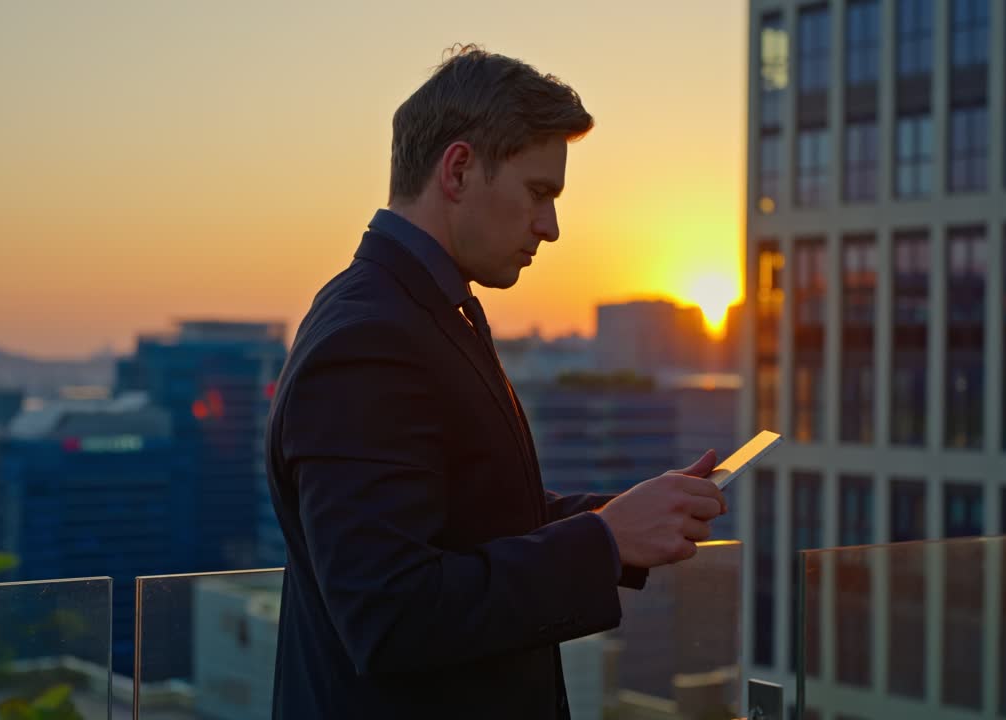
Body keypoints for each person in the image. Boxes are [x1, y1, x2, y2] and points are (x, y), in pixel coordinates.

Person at [265, 44, 728, 720]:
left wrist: (619, 515)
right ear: (458, 170)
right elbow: (390, 615)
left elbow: (465, 519)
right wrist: (603, 542)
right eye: (539, 192)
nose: (552, 226)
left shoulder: (416, 310)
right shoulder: (371, 339)